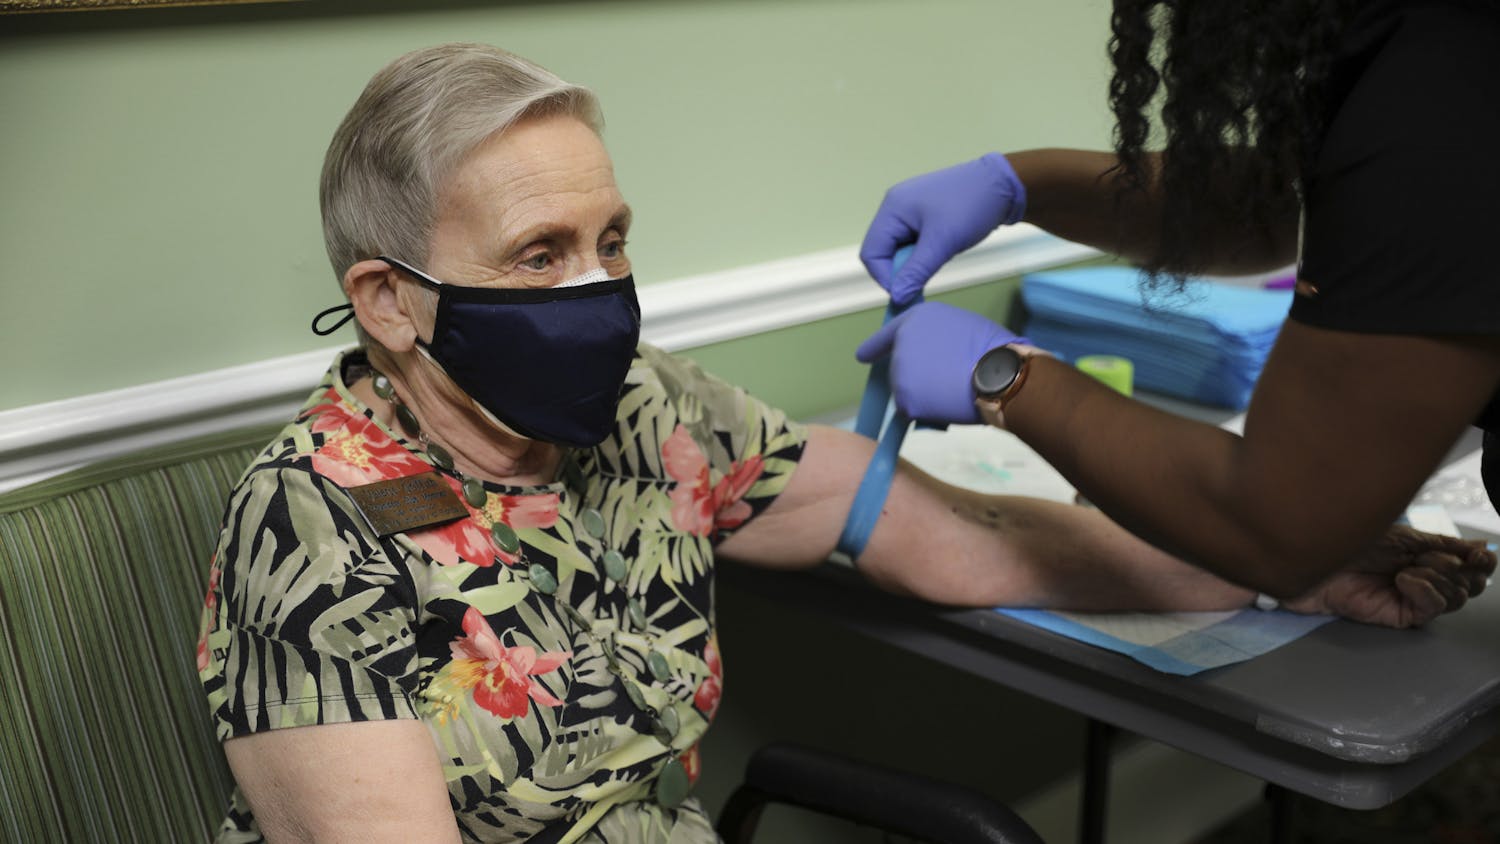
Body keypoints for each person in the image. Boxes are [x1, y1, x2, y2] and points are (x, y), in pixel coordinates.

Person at [195, 42, 1492, 844]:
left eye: (613, 239)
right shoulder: (313, 525)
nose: (600, 291)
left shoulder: (653, 416)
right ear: (390, 301)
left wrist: (1278, 566)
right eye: (540, 255)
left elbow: (971, 540)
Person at [856, 1, 1500, 603]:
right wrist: (1021, 184)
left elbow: (1273, 524)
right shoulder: (1424, 54)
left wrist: (999, 373)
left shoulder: (1453, 82)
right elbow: (1293, 203)